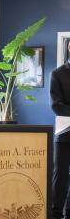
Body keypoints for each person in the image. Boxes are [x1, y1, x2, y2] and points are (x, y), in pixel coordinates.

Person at [50, 60, 70, 219]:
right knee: (60, 176)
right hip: (64, 134)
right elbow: (56, 105)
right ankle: (56, 214)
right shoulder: (57, 74)